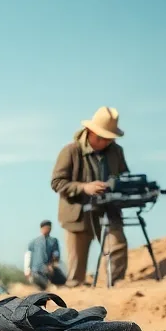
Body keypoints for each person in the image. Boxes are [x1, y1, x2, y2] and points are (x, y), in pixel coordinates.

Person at [51, 106, 130, 286]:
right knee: (77, 271)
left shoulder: (116, 152)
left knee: (117, 244)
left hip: (109, 209)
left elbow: (124, 177)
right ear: (90, 132)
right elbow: (57, 182)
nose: (107, 143)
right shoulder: (71, 151)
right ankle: (74, 305)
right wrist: (85, 188)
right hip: (78, 214)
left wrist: (119, 186)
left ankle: (116, 287)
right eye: (103, 138)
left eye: (110, 139)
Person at [25, 220, 66, 290]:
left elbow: (56, 254)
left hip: (48, 270)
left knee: (62, 279)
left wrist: (52, 265)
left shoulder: (53, 241)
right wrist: (27, 270)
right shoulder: (34, 242)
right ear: (41, 229)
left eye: (48, 228)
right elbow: (28, 255)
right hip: (36, 271)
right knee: (37, 280)